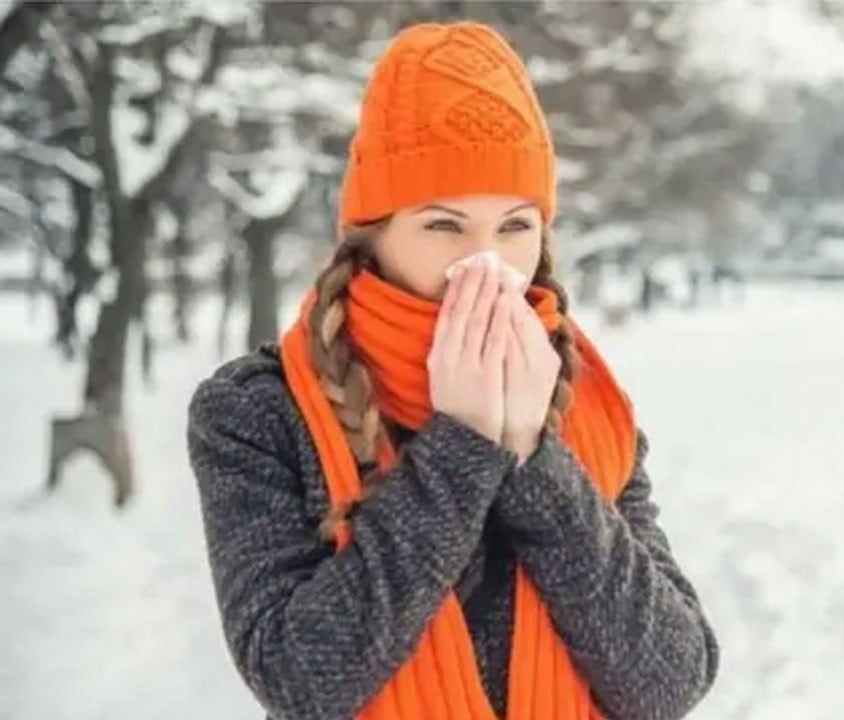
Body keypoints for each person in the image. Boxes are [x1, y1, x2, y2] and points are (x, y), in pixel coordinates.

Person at [186, 21, 718, 720]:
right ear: (372, 233)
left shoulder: (586, 405)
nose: (486, 262)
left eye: (515, 226)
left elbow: (669, 681)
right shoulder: (259, 410)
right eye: (443, 225)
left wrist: (532, 455)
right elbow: (299, 679)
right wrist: (464, 444)